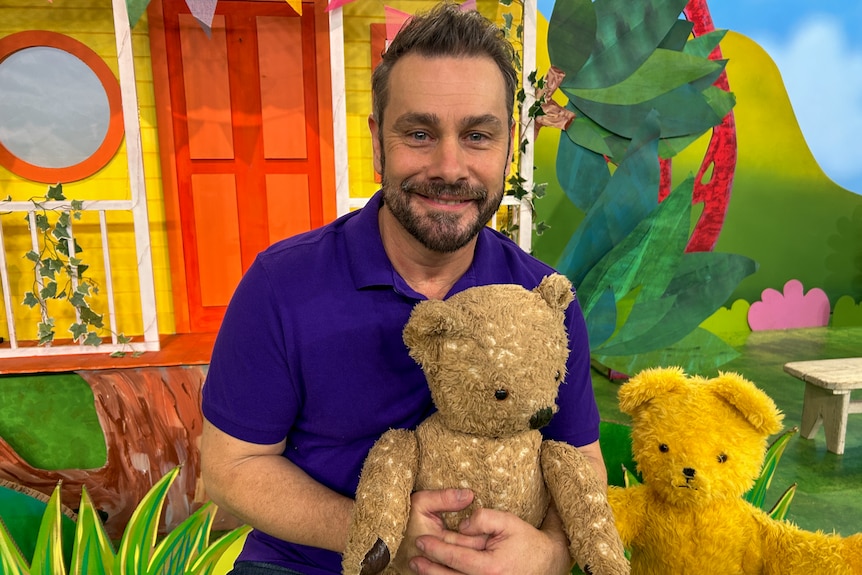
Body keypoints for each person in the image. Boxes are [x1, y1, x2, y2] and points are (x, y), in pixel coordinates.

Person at [200, 3, 607, 575]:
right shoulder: (281, 285)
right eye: (419, 133)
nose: (449, 166)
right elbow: (231, 469)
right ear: (377, 143)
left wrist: (550, 551)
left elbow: (580, 460)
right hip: (308, 563)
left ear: (508, 146)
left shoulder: (542, 299)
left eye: (477, 135)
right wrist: (376, 534)